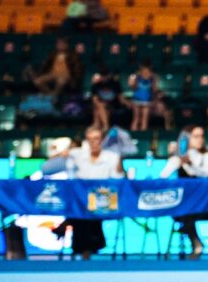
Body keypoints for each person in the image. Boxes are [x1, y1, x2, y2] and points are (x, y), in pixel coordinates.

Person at [56, 125, 124, 258]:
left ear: (102, 140)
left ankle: (69, 228)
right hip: (80, 200)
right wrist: (62, 154)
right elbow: (48, 168)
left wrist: (119, 166)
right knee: (78, 203)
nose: (93, 143)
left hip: (103, 200)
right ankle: (86, 247)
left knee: (88, 208)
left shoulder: (113, 157)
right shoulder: (77, 154)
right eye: (90, 139)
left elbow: (118, 180)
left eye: (96, 139)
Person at [162, 125, 208, 260]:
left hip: (205, 202)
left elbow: (204, 174)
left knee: (186, 212)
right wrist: (176, 159)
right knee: (182, 209)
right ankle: (196, 242)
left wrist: (188, 163)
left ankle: (196, 243)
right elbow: (163, 176)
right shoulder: (178, 157)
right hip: (183, 201)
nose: (200, 139)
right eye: (195, 136)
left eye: (202, 136)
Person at [128, 60, 170, 132]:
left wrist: (158, 94)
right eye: (143, 68)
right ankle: (133, 134)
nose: (145, 70)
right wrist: (132, 80)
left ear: (150, 68)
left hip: (147, 99)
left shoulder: (154, 76)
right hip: (137, 98)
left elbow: (154, 89)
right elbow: (132, 86)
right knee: (136, 117)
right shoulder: (136, 75)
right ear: (141, 68)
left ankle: (142, 134)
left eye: (147, 68)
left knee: (145, 118)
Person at [88, 66, 127, 134]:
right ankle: (105, 126)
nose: (104, 77)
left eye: (105, 75)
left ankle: (99, 126)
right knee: (99, 107)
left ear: (108, 75)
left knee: (99, 109)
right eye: (102, 75)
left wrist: (128, 103)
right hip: (100, 105)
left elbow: (121, 98)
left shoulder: (115, 84)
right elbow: (95, 100)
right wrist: (102, 104)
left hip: (113, 105)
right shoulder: (96, 85)